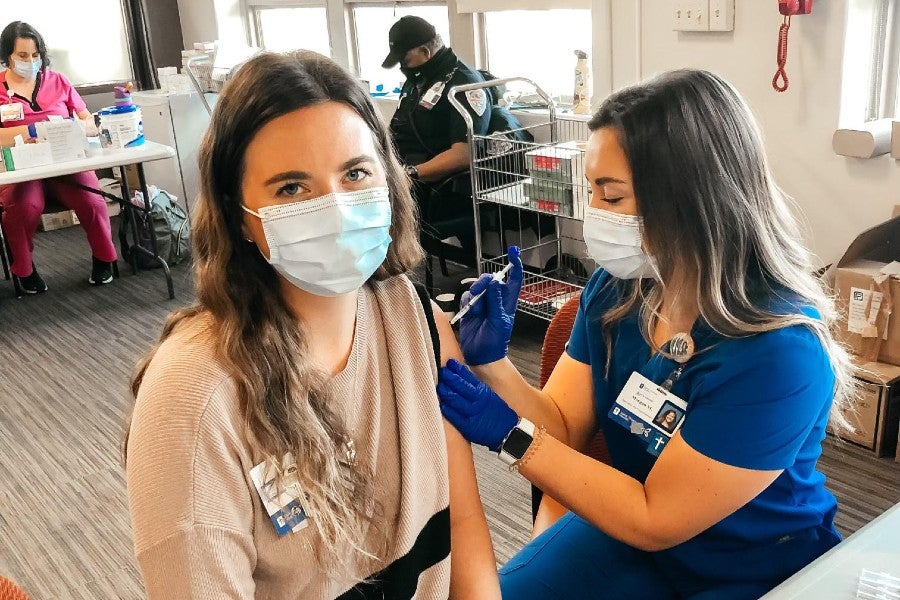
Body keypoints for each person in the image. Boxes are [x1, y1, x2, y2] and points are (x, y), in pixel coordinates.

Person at [437, 69, 855, 599]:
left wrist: (508, 435)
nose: (593, 214)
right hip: (625, 527)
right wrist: (492, 364)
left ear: (693, 201)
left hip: (747, 565)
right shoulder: (618, 292)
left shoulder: (779, 354)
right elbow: (563, 427)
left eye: (611, 199)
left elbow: (656, 518)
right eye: (590, 191)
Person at [124, 50, 500, 599]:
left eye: (355, 173)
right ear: (238, 217)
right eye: (291, 189)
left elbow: (464, 533)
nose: (337, 208)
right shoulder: (195, 399)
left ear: (388, 181)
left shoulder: (413, 318)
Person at [0, 21, 117, 292]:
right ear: (8, 56)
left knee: (92, 200)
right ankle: (25, 270)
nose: (30, 61)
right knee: (23, 208)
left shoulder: (58, 81)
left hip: (66, 162)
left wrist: (76, 127)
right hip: (23, 169)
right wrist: (31, 130)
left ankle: (104, 259)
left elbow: (87, 119)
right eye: (22, 56)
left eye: (35, 55)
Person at [384, 15, 491, 257]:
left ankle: (391, 277)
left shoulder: (465, 84)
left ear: (425, 51)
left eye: (405, 60)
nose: (403, 67)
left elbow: (464, 154)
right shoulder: (419, 79)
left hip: (436, 184)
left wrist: (410, 174)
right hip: (400, 170)